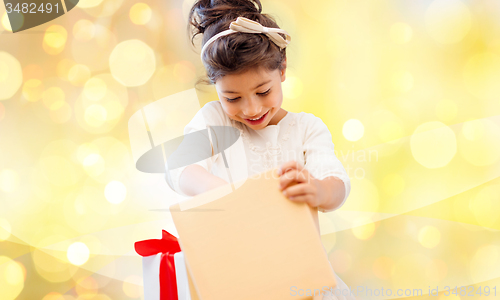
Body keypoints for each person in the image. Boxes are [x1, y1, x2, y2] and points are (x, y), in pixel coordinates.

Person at [165, 1, 355, 299]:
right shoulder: (214, 120)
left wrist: (318, 190)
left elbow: (338, 185)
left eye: (263, 92)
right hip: (239, 283)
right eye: (232, 97)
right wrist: (230, 193)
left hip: (301, 284)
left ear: (282, 69)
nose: (251, 108)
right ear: (215, 88)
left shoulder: (305, 129)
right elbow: (180, 169)